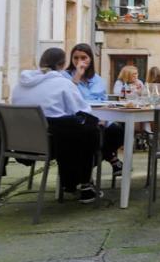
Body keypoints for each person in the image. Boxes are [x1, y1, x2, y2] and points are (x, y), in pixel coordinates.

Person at [11, 48, 102, 203]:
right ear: (62, 65)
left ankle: (73, 183)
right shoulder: (62, 83)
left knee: (73, 129)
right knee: (91, 130)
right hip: (52, 143)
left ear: (41, 63)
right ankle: (84, 184)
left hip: (21, 143)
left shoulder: (20, 84)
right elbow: (82, 110)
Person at [63, 43, 123, 175]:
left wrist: (103, 117)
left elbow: (103, 100)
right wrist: (77, 75)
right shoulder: (65, 76)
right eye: (76, 58)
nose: (79, 61)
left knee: (118, 130)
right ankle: (110, 159)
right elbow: (67, 97)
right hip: (78, 119)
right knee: (92, 137)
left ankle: (86, 169)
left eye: (83, 58)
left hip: (99, 118)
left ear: (90, 59)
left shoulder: (98, 80)